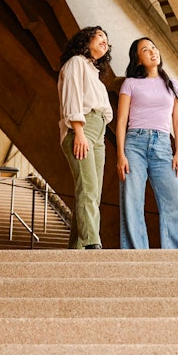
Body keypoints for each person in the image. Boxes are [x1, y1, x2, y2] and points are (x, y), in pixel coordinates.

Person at [115, 37, 178, 249]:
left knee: (177, 200)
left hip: (162, 145)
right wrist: (121, 155)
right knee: (132, 201)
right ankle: (136, 255)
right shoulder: (130, 83)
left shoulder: (172, 85)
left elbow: (177, 121)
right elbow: (121, 120)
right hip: (134, 144)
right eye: (145, 50)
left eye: (153, 47)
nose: (152, 51)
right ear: (138, 60)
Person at [58, 26, 113, 249]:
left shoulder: (95, 74)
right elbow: (71, 98)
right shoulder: (76, 63)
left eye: (107, 39)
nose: (104, 41)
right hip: (82, 128)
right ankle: (92, 244)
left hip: (98, 132)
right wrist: (79, 131)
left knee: (93, 193)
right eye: (99, 35)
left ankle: (77, 248)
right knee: (88, 189)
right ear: (85, 39)